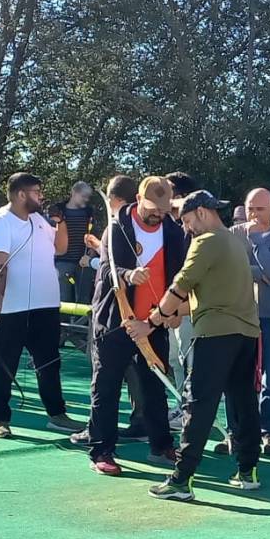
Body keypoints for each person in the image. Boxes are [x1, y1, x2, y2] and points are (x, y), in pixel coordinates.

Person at [132, 190, 262, 501]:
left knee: (198, 404)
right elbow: (210, 293)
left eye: (187, 220)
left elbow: (181, 285)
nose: (186, 228)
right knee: (244, 403)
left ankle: (181, 479)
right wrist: (172, 313)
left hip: (215, 335)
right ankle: (248, 471)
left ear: (202, 212)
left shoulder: (206, 242)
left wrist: (151, 322)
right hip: (247, 334)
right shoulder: (234, 242)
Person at [80, 176, 184, 475]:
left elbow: (180, 274)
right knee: (106, 386)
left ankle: (161, 445)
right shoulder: (117, 227)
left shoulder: (173, 232)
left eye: (163, 209)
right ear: (138, 200)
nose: (158, 214)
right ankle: (102, 450)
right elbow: (107, 270)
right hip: (116, 322)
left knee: (154, 386)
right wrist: (128, 275)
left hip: (153, 322)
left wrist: (174, 309)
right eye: (152, 208)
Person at [0, 172, 83, 438]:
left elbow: (60, 248)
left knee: (49, 362)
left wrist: (61, 221)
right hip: (12, 308)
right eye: (37, 192)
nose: (41, 196)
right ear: (21, 194)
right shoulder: (0, 223)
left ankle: (57, 415)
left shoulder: (38, 220)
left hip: (45, 305)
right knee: (4, 364)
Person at [227, 188, 270, 455]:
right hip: (237, 314)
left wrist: (255, 239)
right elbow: (226, 269)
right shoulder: (232, 234)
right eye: (250, 208)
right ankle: (235, 432)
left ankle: (269, 432)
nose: (254, 214)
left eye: (260, 209)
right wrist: (254, 272)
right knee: (234, 374)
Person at [164, 171, 201, 428]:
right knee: (175, 358)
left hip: (192, 307)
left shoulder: (197, 230)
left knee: (191, 361)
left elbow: (193, 273)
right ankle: (181, 405)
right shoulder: (171, 227)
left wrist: (181, 306)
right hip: (174, 304)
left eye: (167, 193)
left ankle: (193, 411)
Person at [50, 181, 97, 304]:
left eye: (88, 197)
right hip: (62, 262)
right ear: (74, 193)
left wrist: (91, 253)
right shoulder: (58, 211)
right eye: (83, 196)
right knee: (63, 299)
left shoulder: (89, 212)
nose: (86, 199)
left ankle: (81, 318)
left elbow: (94, 235)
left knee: (83, 300)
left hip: (84, 262)